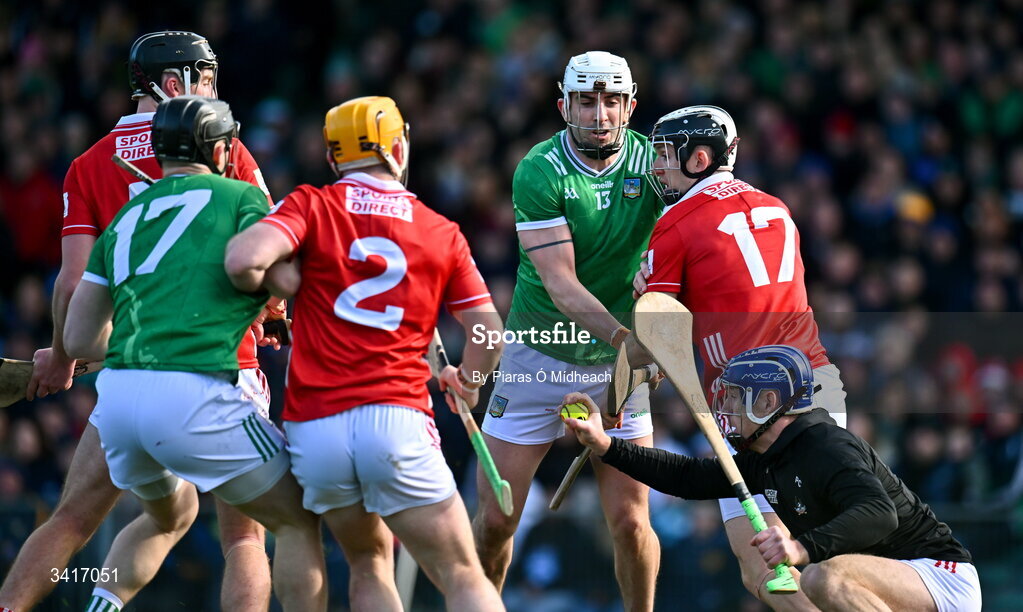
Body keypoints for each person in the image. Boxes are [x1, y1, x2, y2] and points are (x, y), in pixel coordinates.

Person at [0, 31, 276, 612]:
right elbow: (271, 253)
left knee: (83, 517)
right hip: (222, 367)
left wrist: (61, 357)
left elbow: (72, 285)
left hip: (128, 375)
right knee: (247, 538)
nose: (212, 90)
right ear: (172, 85)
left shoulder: (89, 164)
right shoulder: (226, 150)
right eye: (203, 77)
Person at [224, 95, 506, 611]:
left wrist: (279, 281)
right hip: (396, 419)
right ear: (399, 147)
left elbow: (244, 258)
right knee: (462, 573)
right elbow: (488, 331)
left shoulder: (311, 204)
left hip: (317, 430)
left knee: (368, 563)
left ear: (334, 159)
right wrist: (469, 378)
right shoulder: (441, 231)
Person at [62, 95, 325, 612]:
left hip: (121, 397)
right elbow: (285, 279)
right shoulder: (238, 196)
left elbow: (76, 338)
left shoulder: (128, 215)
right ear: (223, 149)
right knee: (271, 529)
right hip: (209, 387)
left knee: (158, 519)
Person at [562, 345, 982, 612]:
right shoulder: (764, 458)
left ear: (767, 402)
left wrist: (801, 547)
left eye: (734, 398)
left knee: (821, 577)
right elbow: (688, 477)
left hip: (938, 577)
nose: (724, 409)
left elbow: (880, 514)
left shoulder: (826, 447)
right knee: (819, 580)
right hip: (882, 586)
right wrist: (606, 446)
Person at [631, 105, 847, 610]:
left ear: (699, 158)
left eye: (664, 156)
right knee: (820, 561)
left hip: (751, 404)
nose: (657, 168)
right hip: (819, 383)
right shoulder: (776, 206)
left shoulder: (676, 222)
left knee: (762, 568)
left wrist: (624, 376)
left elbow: (654, 335)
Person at [473, 50, 662, 610]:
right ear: (564, 105)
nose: (598, 113)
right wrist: (630, 343)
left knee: (630, 522)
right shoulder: (539, 168)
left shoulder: (657, 165)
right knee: (498, 519)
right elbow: (560, 283)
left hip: (619, 363)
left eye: (610, 100)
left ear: (630, 106)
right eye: (585, 100)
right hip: (541, 351)